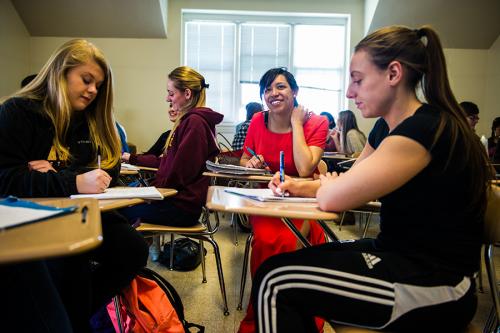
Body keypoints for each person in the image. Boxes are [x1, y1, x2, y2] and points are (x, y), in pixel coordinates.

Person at [252, 25, 492, 333]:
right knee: (287, 264)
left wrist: (330, 187)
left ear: (393, 74)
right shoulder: (385, 128)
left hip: (437, 283)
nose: (351, 92)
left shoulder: (424, 129)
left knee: (275, 281)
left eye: (358, 80)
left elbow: (335, 196)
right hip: (395, 253)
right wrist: (298, 185)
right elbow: (350, 180)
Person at [0, 39, 148, 332]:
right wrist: (73, 178)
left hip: (77, 210)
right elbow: (6, 178)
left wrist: (53, 171)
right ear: (60, 73)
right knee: (72, 260)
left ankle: (71, 316)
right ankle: (70, 318)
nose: (93, 90)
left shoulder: (85, 121)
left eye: (98, 85)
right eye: (87, 80)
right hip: (28, 219)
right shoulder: (17, 112)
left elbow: (106, 169)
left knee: (133, 250)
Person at [238, 67, 329, 333]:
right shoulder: (257, 120)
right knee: (269, 239)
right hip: (266, 198)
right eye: (267, 89)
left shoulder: (316, 122)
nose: (272, 93)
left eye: (280, 87)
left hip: (303, 199)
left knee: (292, 240)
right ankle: (265, 306)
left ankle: (293, 309)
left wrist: (296, 124)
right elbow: (245, 161)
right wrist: (251, 163)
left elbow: (304, 168)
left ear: (295, 92)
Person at [120, 66, 223, 254]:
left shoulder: (194, 124)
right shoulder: (190, 122)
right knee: (125, 205)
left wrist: (150, 192)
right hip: (177, 203)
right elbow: (167, 164)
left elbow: (178, 174)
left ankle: (130, 263)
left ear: (187, 94)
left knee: (117, 214)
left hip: (181, 208)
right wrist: (134, 159)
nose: (167, 99)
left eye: (171, 93)